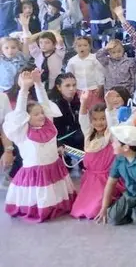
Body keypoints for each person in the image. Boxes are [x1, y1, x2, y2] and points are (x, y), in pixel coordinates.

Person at [3, 70, 75, 222]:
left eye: (41, 113)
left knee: (55, 195)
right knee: (42, 199)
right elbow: (19, 114)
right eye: (36, 114)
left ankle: (56, 206)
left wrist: (38, 83)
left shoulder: (48, 124)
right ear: (26, 118)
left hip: (54, 167)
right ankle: (41, 208)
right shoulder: (22, 131)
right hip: (35, 173)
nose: (41, 115)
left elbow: (45, 103)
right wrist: (24, 89)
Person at [71, 97, 124, 219]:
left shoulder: (111, 135)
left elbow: (112, 122)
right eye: (95, 119)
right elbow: (82, 118)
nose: (99, 123)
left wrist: (109, 106)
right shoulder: (88, 133)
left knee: (97, 207)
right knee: (80, 208)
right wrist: (84, 102)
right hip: (91, 180)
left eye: (102, 119)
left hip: (107, 179)